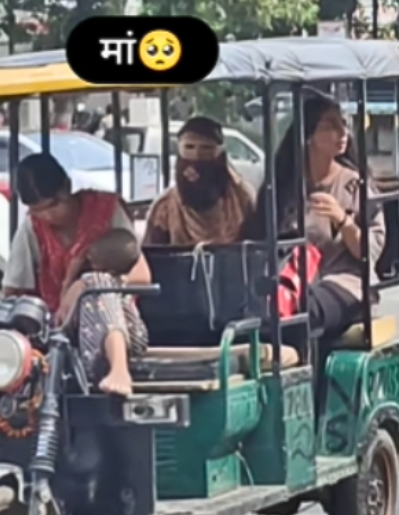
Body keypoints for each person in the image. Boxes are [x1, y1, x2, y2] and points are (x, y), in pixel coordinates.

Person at [0, 154, 151, 395]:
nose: (48, 217)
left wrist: (83, 286)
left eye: (53, 206)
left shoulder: (106, 211)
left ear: (67, 188)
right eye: (38, 211)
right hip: (58, 334)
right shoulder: (32, 228)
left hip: (123, 330)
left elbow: (142, 275)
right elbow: (13, 291)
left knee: (97, 284)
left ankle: (120, 370)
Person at [245, 95, 386, 344]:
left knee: (303, 309)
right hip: (290, 280)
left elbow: (371, 251)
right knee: (251, 312)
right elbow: (259, 241)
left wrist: (342, 220)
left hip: (345, 282)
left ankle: (310, 379)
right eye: (330, 125)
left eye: (343, 123)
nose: (342, 132)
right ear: (308, 135)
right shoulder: (282, 187)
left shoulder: (355, 185)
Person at [144, 117, 255, 246]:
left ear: (219, 154)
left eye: (206, 148)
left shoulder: (242, 199)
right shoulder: (164, 209)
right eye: (189, 147)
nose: (197, 156)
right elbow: (151, 259)